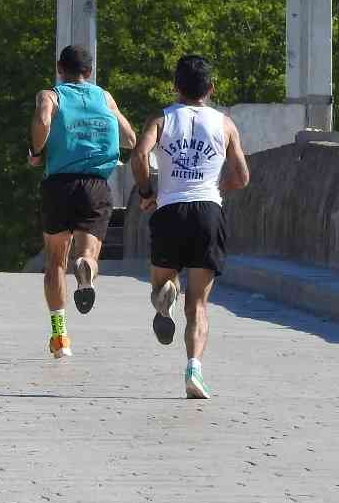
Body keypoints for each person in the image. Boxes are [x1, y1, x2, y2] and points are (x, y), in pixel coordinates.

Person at [130, 54, 250, 399]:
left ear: (175, 87)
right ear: (210, 89)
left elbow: (139, 156)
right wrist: (215, 187)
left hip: (170, 210)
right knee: (198, 303)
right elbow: (242, 177)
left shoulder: (161, 119)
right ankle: (194, 369)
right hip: (208, 213)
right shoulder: (225, 124)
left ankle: (165, 296)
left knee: (160, 283)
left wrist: (146, 192)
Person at [29, 44, 137, 359]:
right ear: (89, 72)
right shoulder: (105, 97)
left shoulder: (50, 95)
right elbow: (130, 138)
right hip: (96, 185)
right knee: (87, 254)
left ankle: (60, 336)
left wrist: (36, 152)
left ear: (60, 69)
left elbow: (43, 120)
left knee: (54, 263)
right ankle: (85, 267)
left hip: (59, 185)